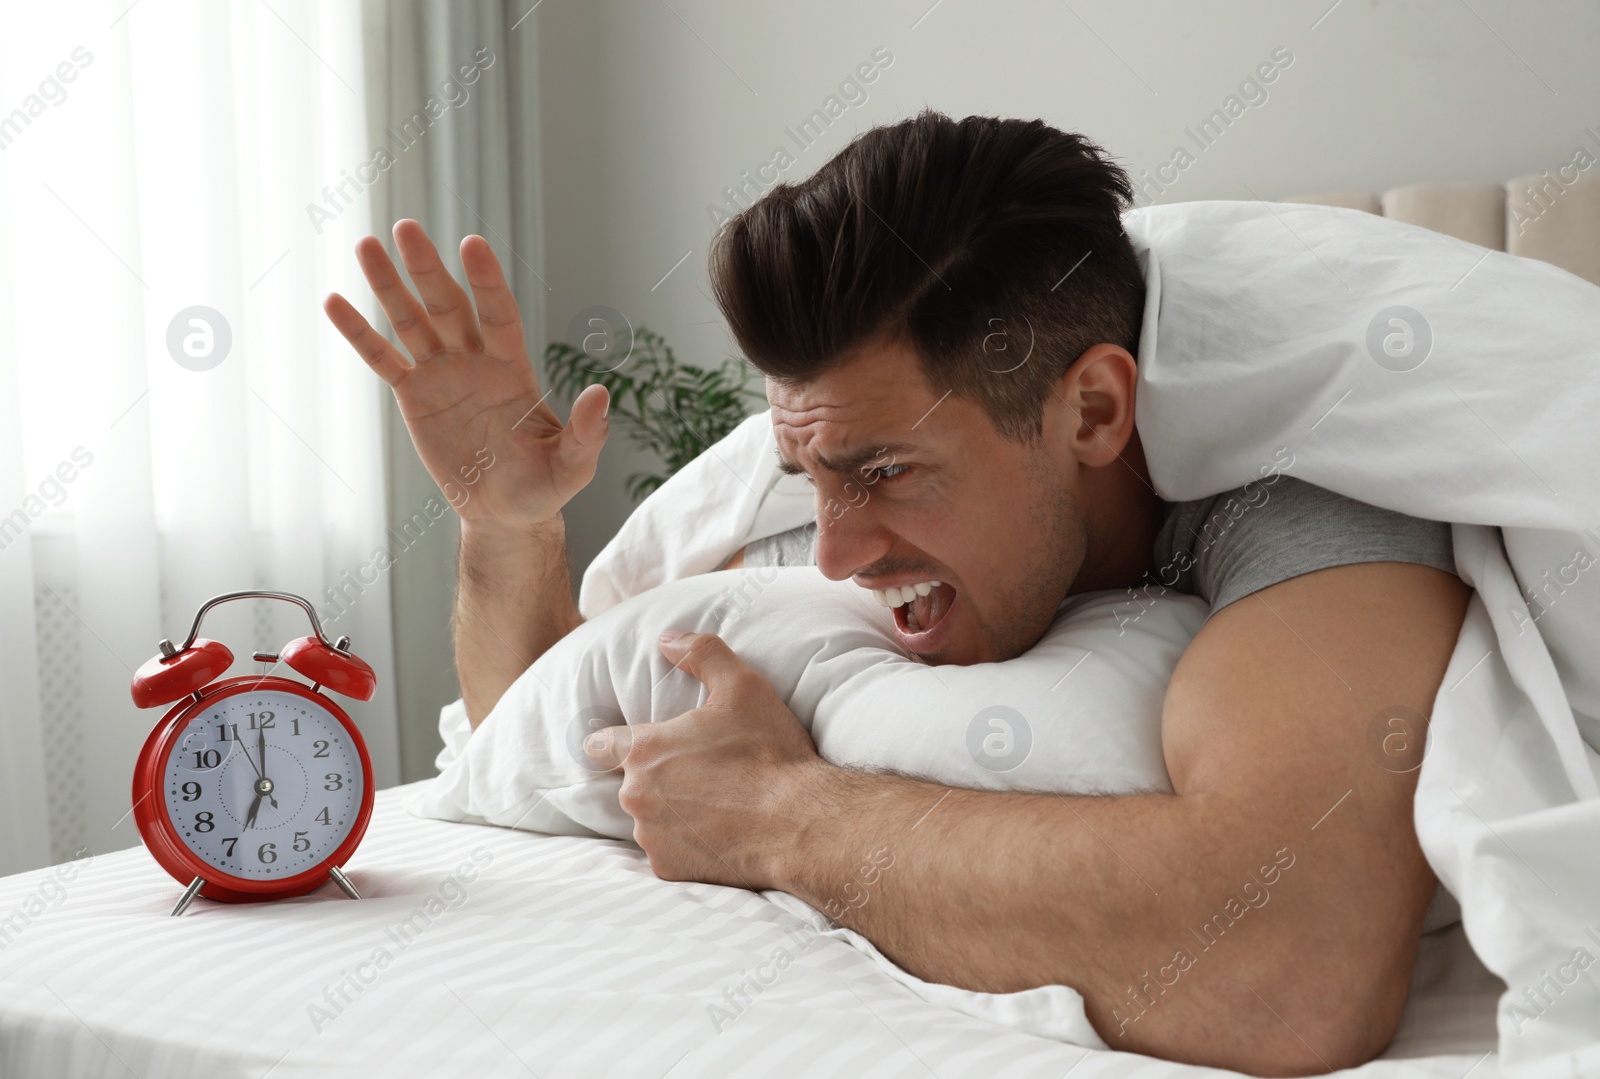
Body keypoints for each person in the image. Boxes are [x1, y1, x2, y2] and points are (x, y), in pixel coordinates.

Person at [324, 110, 1469, 1076]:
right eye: (807, 476)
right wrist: (506, 527)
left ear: (1092, 414)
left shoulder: (1300, 500)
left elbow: (1291, 965)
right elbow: (518, 726)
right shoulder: (844, 463)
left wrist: (777, 814)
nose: (830, 553)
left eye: (884, 475)